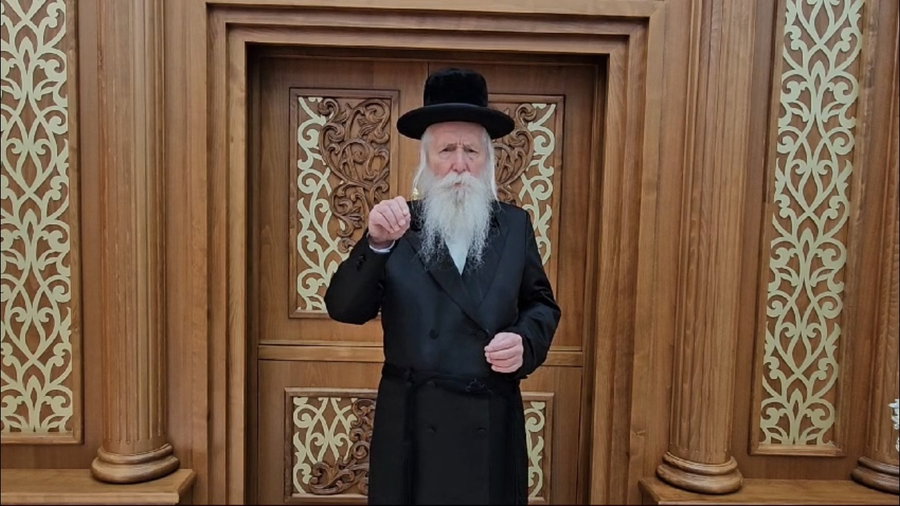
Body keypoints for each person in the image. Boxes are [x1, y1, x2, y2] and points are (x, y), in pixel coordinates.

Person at [325, 68, 560, 505]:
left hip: (489, 416)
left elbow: (541, 305)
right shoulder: (397, 225)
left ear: (488, 160)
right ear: (426, 160)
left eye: (471, 150)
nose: (459, 164)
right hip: (411, 422)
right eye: (447, 149)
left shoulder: (514, 225)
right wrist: (376, 244)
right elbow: (345, 308)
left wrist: (525, 342)